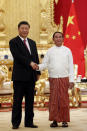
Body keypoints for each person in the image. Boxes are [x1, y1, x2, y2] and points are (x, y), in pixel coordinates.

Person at [37, 32, 74, 127]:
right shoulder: (50, 51)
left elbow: (70, 66)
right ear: (53, 39)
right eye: (56, 37)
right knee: (53, 100)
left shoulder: (67, 50)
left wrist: (71, 80)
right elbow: (45, 64)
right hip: (53, 78)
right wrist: (37, 67)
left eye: (60, 37)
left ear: (63, 39)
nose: (58, 39)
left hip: (64, 78)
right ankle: (55, 120)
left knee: (64, 100)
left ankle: (64, 120)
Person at [9, 21, 40, 129]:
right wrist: (30, 63)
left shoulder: (32, 42)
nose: (24, 30)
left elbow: (36, 57)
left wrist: (38, 72)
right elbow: (18, 56)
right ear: (18, 29)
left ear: (28, 29)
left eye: (26, 28)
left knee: (30, 101)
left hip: (31, 77)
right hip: (19, 77)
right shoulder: (13, 42)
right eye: (22, 28)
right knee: (17, 101)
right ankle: (15, 123)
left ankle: (29, 122)